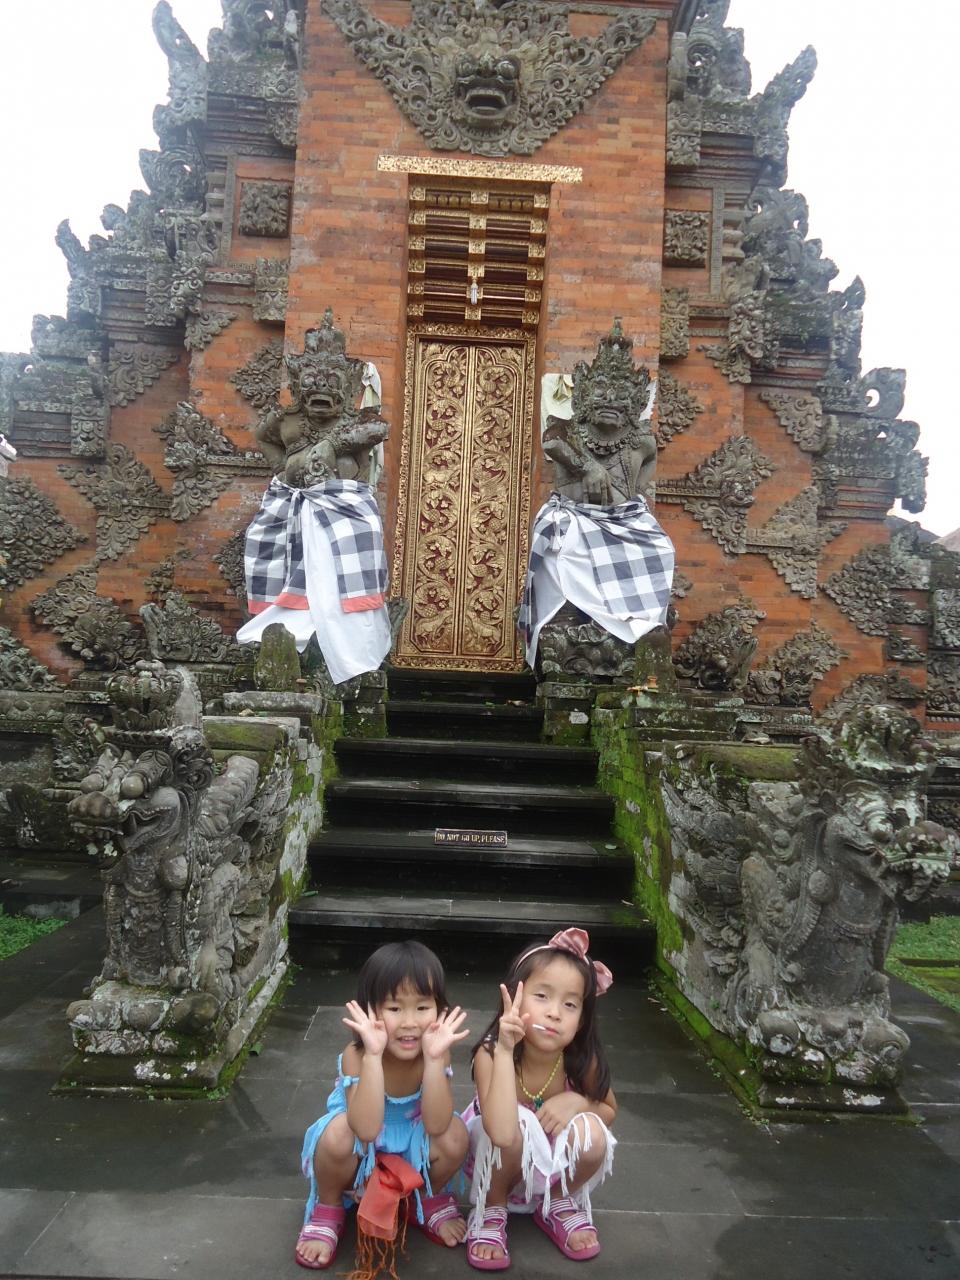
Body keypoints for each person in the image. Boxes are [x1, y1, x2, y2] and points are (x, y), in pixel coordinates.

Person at [296, 940, 470, 1270]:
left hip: (414, 1145)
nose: (409, 1022)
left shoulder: (437, 1052)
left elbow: (437, 1124)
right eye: (394, 1008)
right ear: (370, 1011)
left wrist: (435, 1061)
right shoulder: (357, 1055)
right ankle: (329, 1207)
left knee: (456, 1133)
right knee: (338, 1134)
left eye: (422, 1007)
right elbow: (364, 1128)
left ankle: (427, 1197)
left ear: (439, 1009)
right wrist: (374, 1056)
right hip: (364, 1151)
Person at [462, 928, 617, 1270]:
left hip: (551, 1168)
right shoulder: (491, 1053)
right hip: (499, 1156)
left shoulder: (581, 1060)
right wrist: (505, 1051)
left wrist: (579, 1103)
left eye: (570, 1004)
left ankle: (557, 1202)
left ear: (582, 1020)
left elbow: (609, 1110)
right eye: (542, 996)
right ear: (514, 998)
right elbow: (501, 1133)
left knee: (593, 1133)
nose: (554, 1013)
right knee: (516, 1124)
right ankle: (492, 1208)